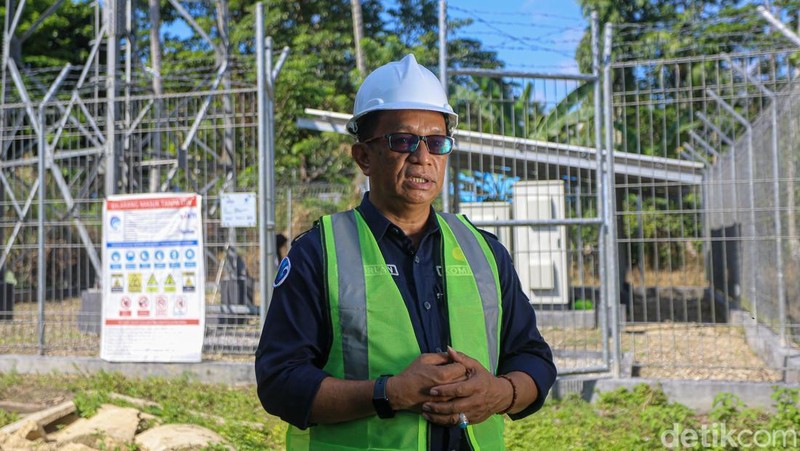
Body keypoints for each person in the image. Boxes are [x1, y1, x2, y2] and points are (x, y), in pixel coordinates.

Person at [255, 54, 556, 450]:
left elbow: (533, 357)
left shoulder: (485, 251)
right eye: (402, 141)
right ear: (363, 156)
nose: (422, 157)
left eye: (436, 142)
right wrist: (390, 393)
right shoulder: (319, 254)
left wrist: (501, 393)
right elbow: (279, 381)